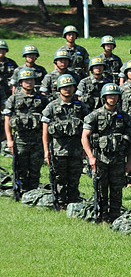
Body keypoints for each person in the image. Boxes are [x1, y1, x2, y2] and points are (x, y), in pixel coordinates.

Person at [82, 84, 131, 224]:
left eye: (115, 95)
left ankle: (115, 219)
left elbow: (130, 143)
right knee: (101, 190)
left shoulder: (125, 118)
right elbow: (84, 136)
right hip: (100, 160)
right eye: (110, 96)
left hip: (118, 161)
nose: (112, 98)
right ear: (104, 97)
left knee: (117, 192)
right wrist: (90, 157)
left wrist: (128, 162)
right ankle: (102, 218)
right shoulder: (95, 115)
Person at [41, 74, 87, 206]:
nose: (68, 89)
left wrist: (85, 149)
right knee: (59, 178)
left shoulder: (81, 106)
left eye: (70, 87)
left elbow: (86, 129)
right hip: (58, 150)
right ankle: (61, 204)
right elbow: (45, 131)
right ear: (59, 89)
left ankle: (72, 203)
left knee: (74, 178)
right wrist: (46, 150)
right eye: (65, 87)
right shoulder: (51, 107)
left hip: (76, 150)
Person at [4, 69, 47, 192]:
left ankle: (33, 193)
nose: (29, 82)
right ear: (21, 82)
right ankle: (21, 192)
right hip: (20, 140)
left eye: (31, 80)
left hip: (37, 140)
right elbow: (7, 120)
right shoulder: (13, 99)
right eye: (26, 80)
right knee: (20, 169)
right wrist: (9, 140)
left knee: (35, 169)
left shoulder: (42, 99)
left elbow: (47, 120)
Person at [0, 40, 16, 108]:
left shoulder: (11, 63)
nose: (2, 52)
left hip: (9, 93)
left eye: (3, 50)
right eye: (0, 49)